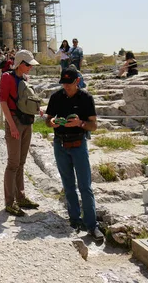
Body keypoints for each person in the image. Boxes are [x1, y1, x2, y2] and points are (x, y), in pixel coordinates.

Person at [43, 68, 104, 241]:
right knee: (68, 184)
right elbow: (48, 120)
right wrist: (52, 122)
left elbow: (93, 125)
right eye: (64, 83)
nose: (66, 86)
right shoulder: (56, 97)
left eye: (69, 83)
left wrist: (80, 123)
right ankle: (75, 220)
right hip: (60, 144)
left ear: (77, 81)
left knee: (85, 186)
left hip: (78, 143)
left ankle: (92, 225)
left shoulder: (86, 98)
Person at [0, 50, 41, 217]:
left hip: (26, 122)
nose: (30, 67)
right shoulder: (6, 78)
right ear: (20, 63)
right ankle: (9, 203)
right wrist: (12, 126)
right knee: (13, 164)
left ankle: (21, 197)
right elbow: (3, 102)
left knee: (21, 162)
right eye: (28, 64)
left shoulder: (25, 79)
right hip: (14, 122)